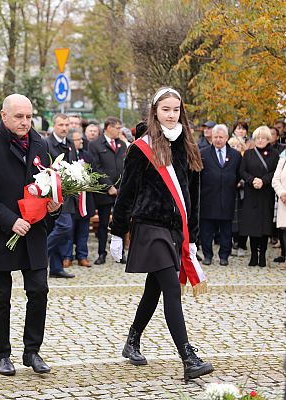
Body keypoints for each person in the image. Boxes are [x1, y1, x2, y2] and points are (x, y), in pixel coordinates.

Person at [109, 87, 213, 381]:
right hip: (148, 226)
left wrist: (191, 237)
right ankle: (188, 357)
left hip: (174, 229)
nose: (171, 115)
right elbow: (127, 192)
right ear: (155, 111)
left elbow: (193, 197)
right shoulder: (142, 147)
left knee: (153, 289)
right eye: (165, 109)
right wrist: (117, 232)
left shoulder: (187, 145)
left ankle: (132, 340)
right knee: (170, 287)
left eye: (175, 110)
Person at [0, 93, 62, 376]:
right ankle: (2, 354)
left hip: (33, 233)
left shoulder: (40, 143)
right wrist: (11, 221)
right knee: (1, 297)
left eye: (29, 116)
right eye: (19, 116)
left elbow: (47, 183)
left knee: (39, 291)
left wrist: (55, 205)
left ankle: (32, 350)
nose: (25, 122)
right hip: (0, 234)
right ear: (4, 115)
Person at [199, 124, 242, 266]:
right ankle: (207, 255)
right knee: (206, 231)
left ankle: (224, 255)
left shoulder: (235, 155)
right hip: (208, 198)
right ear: (211, 138)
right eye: (215, 137)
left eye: (221, 137)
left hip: (227, 198)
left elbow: (238, 174)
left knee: (226, 231)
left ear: (227, 138)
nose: (218, 140)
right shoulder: (203, 153)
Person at [239, 126, 279, 267]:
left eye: (263, 138)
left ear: (268, 139)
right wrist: (252, 180)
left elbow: (275, 172)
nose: (260, 140)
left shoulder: (274, 154)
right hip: (251, 193)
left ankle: (262, 255)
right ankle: (253, 256)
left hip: (266, 194)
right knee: (252, 226)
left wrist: (263, 181)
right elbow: (242, 171)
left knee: (264, 227)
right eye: (257, 138)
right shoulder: (248, 154)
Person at [88, 116, 127, 265]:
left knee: (120, 223)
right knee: (103, 224)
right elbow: (95, 167)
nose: (119, 131)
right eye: (117, 128)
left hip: (120, 192)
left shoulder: (122, 145)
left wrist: (121, 187)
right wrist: (108, 186)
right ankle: (101, 253)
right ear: (108, 127)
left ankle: (120, 253)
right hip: (104, 193)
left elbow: (125, 167)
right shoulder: (95, 145)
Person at [43, 114, 77, 278]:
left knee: (62, 230)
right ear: (54, 126)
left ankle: (56, 268)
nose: (64, 128)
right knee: (64, 227)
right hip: (53, 195)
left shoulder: (70, 144)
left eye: (66, 125)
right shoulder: (47, 143)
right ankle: (39, 252)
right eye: (61, 125)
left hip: (67, 194)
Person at [63, 130, 94, 267]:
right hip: (70, 201)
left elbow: (94, 173)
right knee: (69, 231)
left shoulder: (86, 155)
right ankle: (67, 256)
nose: (81, 141)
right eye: (78, 140)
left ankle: (82, 256)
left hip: (85, 201)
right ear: (71, 141)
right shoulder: (66, 156)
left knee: (83, 231)